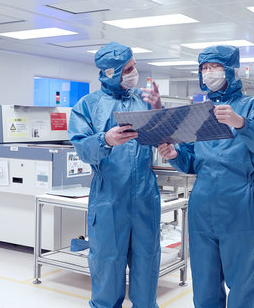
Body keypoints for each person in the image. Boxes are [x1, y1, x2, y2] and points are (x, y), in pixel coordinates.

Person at [157, 45, 254, 308]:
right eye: (204, 68)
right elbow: (191, 161)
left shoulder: (253, 106)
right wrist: (174, 154)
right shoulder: (199, 111)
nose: (208, 73)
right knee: (204, 281)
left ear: (231, 71)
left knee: (243, 280)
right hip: (201, 203)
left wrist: (241, 124)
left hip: (237, 203)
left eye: (214, 67)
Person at [68, 42, 162, 308]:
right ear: (112, 72)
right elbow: (83, 149)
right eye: (129, 68)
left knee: (147, 262)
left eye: (134, 65)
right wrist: (105, 140)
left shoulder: (141, 101)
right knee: (107, 267)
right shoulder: (87, 106)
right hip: (109, 199)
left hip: (145, 197)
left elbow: (166, 137)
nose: (135, 72)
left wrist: (158, 108)